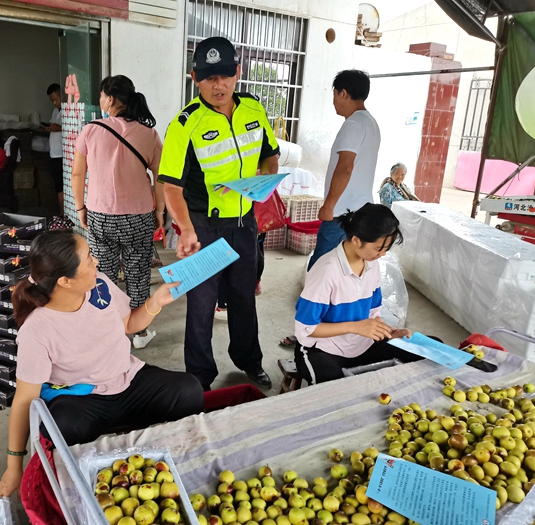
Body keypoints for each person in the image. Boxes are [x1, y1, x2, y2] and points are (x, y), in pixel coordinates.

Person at [0, 230, 204, 497]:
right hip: (85, 399)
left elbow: (129, 323)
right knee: (60, 425)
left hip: (128, 381)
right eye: (89, 258)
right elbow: (25, 400)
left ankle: (172, 466)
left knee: (188, 389)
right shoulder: (37, 330)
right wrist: (14, 465)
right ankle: (86, 487)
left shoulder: (100, 285)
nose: (97, 263)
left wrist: (155, 302)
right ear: (65, 281)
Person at [158, 36, 279, 391]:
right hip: (203, 227)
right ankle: (199, 376)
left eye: (225, 75)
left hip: (244, 223)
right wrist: (186, 229)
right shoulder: (184, 124)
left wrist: (264, 178)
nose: (219, 85)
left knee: (244, 298)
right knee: (201, 304)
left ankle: (250, 362)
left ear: (237, 73)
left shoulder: (254, 110)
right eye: (209, 77)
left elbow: (270, 155)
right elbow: (171, 188)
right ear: (195, 78)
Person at [280, 70, 380, 348]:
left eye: (335, 94)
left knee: (321, 271)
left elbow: (345, 167)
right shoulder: (370, 123)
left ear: (344, 93)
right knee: (346, 270)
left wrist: (329, 205)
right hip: (360, 210)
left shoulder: (353, 125)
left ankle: (306, 333)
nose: (334, 101)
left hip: (341, 214)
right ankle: (333, 328)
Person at [71, 75, 165, 349]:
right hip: (138, 218)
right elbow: (160, 177)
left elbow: (78, 173)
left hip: (100, 215)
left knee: (103, 276)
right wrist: (160, 211)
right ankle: (140, 333)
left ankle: (106, 331)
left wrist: (80, 208)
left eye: (101, 96)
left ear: (110, 99)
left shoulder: (90, 130)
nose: (100, 101)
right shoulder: (149, 134)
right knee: (138, 275)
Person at [294, 203, 423, 384]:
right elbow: (305, 329)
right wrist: (355, 327)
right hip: (323, 350)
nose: (383, 254)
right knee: (334, 384)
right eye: (379, 248)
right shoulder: (327, 270)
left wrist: (389, 332)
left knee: (426, 347)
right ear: (356, 240)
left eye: (386, 249)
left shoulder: (372, 265)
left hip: (362, 344)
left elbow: (372, 315)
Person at [45, 83, 64, 214]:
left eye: (55, 99)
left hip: (63, 154)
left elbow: (72, 129)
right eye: (52, 100)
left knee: (62, 187)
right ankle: (61, 213)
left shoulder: (69, 111)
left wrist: (59, 128)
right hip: (54, 154)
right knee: (58, 185)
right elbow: (55, 125)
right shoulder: (56, 110)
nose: (54, 103)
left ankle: (64, 215)